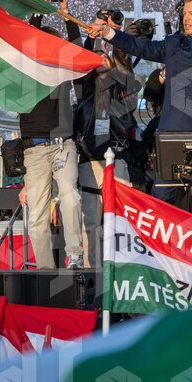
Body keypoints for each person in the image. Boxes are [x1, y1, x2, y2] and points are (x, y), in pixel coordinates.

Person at [87, 0, 192, 219]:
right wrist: (108, 32)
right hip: (170, 138)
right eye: (185, 13)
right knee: (161, 203)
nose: (186, 18)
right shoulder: (173, 45)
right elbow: (139, 47)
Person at [19, 0, 84, 269]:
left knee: (70, 196)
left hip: (62, 144)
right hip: (34, 149)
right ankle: (45, 271)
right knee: (37, 214)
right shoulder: (26, 69)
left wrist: (66, 14)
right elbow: (28, 40)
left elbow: (77, 49)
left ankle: (75, 257)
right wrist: (38, 6)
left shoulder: (63, 68)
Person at [75, 46, 141, 268]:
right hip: (90, 162)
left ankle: (123, 270)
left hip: (117, 159)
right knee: (91, 223)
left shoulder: (122, 92)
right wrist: (90, 37)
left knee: (121, 221)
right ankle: (92, 271)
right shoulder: (84, 93)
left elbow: (128, 77)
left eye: (104, 57)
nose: (101, 59)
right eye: (95, 58)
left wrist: (117, 42)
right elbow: (79, 57)